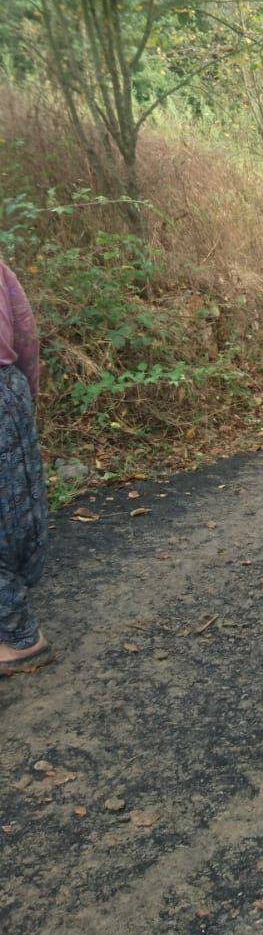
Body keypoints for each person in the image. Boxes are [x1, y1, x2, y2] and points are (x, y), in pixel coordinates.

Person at [0, 259, 51, 675]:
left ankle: (19, 637)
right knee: (14, 513)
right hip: (7, 392)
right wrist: (25, 391)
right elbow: (26, 332)